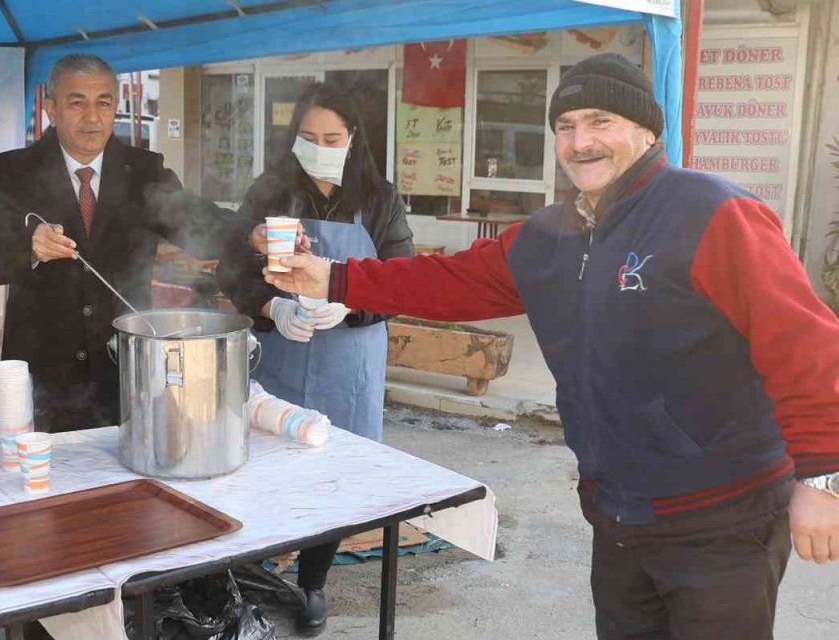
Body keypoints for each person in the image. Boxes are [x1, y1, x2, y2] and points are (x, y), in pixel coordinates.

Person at [265, 53, 839, 639]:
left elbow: (805, 344)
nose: (580, 141)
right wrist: (332, 278)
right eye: (566, 126)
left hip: (721, 518)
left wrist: (821, 478)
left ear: (646, 131)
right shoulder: (553, 235)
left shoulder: (711, 213)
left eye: (600, 121)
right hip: (618, 512)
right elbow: (446, 282)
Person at [0, 54, 258, 434]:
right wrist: (26, 245)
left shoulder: (143, 170)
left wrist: (251, 234)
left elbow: (200, 223)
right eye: (77, 102)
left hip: (126, 378)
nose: (92, 117)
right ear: (52, 109)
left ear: (116, 107)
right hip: (44, 382)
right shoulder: (14, 172)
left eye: (104, 102)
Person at [217, 82, 413, 636]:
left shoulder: (379, 198)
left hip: (348, 366)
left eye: (331, 137)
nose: (319, 146)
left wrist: (349, 306)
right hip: (280, 356)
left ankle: (312, 584)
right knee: (265, 466)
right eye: (308, 137)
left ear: (352, 139)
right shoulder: (270, 193)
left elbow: (401, 282)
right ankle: (248, 575)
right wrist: (270, 306)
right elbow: (231, 268)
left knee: (334, 477)